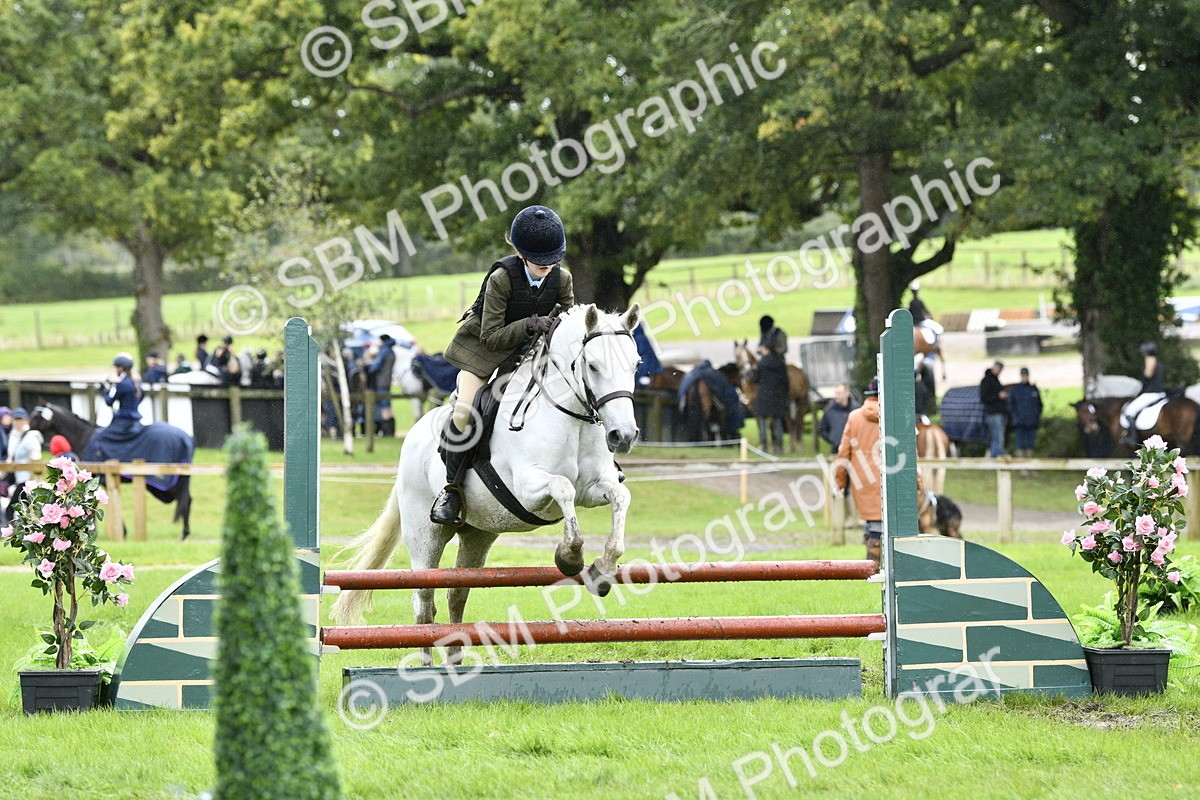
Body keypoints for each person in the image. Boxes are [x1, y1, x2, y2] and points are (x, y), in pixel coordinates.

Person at [434, 205, 575, 526]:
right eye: (540, 262)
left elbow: (569, 323)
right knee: (465, 412)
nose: (548, 267)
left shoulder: (562, 278)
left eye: (553, 260)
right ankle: (451, 489)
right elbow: (491, 337)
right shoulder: (501, 279)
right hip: (484, 353)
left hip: (531, 354)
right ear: (521, 254)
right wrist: (531, 324)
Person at [834, 379, 883, 566]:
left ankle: (873, 565)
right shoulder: (896, 414)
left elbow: (843, 453)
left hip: (863, 480)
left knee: (872, 523)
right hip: (891, 477)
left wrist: (840, 480)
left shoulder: (854, 418)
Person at [88, 354, 145, 460]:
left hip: (123, 421)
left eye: (116, 367)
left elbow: (110, 402)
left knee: (98, 437)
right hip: (136, 419)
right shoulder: (138, 382)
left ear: (120, 368)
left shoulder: (123, 384)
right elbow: (142, 396)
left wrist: (104, 391)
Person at [1121, 342, 1166, 446]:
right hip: (1160, 393)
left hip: (1150, 394)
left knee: (1129, 412)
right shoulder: (1159, 363)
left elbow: (1147, 377)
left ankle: (1132, 437)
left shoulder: (1150, 362)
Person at [749, 348, 788, 454]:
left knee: (762, 422)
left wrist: (753, 369)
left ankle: (764, 446)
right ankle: (779, 447)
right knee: (777, 422)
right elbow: (785, 380)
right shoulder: (780, 362)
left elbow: (755, 378)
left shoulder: (761, 363)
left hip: (763, 396)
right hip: (777, 396)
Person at [6, 408, 44, 513]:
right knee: (28, 510)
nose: (18, 422)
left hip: (27, 480)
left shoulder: (31, 436)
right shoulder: (13, 436)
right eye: (16, 419)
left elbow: (36, 455)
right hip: (18, 477)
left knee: (11, 509)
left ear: (26, 420)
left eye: (20, 419)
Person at [1006, 367, 1043, 458]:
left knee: (1030, 444)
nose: (1024, 377)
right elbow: (1010, 405)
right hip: (1019, 422)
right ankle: (1022, 466)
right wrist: (1016, 416)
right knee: (1020, 444)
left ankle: (1029, 466)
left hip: (1032, 422)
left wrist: (1036, 416)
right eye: (1023, 375)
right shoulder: (1015, 390)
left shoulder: (1033, 389)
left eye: (1025, 375)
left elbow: (1039, 405)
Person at [367, 334, 398, 437]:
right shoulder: (391, 351)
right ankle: (391, 430)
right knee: (388, 405)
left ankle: (387, 432)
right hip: (387, 381)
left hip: (381, 381)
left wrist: (368, 364)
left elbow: (376, 366)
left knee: (384, 406)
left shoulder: (384, 351)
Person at [980, 361, 1008, 458]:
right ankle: (996, 458)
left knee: (997, 437)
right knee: (998, 437)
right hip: (993, 413)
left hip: (999, 412)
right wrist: (998, 396)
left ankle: (995, 457)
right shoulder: (987, 381)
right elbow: (984, 398)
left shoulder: (996, 380)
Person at [818, 383, 858, 452]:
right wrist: (833, 441)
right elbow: (822, 430)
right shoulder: (829, 410)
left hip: (854, 450)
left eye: (839, 393)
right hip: (836, 450)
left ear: (847, 393)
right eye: (836, 393)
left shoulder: (856, 410)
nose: (837, 396)